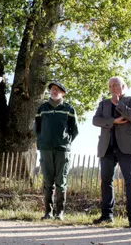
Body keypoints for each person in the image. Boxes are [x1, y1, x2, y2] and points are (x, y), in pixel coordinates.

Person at [92, 77, 131, 228]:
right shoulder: (103, 103)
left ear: (123, 86)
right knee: (106, 182)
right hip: (107, 148)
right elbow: (95, 120)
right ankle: (107, 216)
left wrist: (118, 104)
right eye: (110, 86)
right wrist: (113, 121)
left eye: (116, 85)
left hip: (127, 148)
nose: (113, 88)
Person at [34, 81, 78, 221]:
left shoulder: (69, 109)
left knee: (61, 181)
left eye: (57, 90)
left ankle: (60, 212)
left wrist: (66, 142)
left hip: (62, 150)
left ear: (62, 93)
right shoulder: (42, 108)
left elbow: (74, 130)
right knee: (48, 182)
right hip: (45, 149)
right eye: (52, 89)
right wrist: (41, 142)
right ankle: (48, 212)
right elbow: (37, 129)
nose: (54, 91)